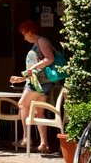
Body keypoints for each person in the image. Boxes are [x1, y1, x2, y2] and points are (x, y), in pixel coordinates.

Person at [8, 20, 56, 154]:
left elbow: (49, 59)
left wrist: (32, 68)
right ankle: (44, 144)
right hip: (40, 83)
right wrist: (22, 78)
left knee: (22, 105)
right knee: (39, 112)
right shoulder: (38, 43)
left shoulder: (42, 41)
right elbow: (36, 69)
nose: (24, 37)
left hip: (37, 84)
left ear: (29, 31)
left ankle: (26, 138)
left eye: (24, 33)